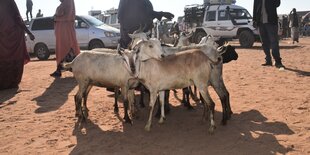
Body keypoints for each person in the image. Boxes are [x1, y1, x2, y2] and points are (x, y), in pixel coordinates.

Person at [0, 0, 35, 90]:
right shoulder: (10, 1)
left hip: (3, 35)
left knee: (4, 58)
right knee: (15, 57)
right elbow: (17, 17)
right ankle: (12, 82)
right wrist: (28, 32)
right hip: (12, 34)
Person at [50, 0, 80, 77]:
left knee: (67, 48)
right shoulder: (64, 4)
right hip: (62, 32)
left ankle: (61, 69)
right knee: (61, 49)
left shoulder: (68, 3)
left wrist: (56, 18)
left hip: (66, 32)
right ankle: (59, 69)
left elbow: (68, 17)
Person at [253, 0, 285, 68]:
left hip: (271, 21)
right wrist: (254, 20)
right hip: (260, 22)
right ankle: (268, 60)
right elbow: (255, 8)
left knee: (274, 42)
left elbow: (277, 4)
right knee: (264, 43)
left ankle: (277, 61)